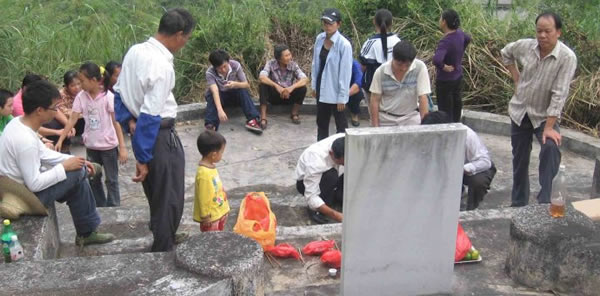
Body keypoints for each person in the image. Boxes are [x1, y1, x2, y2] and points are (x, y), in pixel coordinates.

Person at [113, 8, 195, 251]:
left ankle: (164, 234)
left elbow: (118, 93)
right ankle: (163, 247)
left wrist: (129, 122)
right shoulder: (161, 66)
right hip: (158, 136)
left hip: (145, 131)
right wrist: (143, 156)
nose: (184, 44)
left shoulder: (135, 51)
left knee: (158, 193)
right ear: (179, 35)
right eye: (186, 39)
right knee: (169, 196)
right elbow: (150, 115)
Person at [0, 80, 114, 246]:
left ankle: (87, 232)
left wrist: (77, 161)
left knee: (78, 176)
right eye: (54, 108)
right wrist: (65, 167)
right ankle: (87, 232)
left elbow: (44, 153)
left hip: (25, 186)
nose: (56, 113)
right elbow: (34, 184)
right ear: (40, 110)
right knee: (77, 173)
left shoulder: (18, 123)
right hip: (28, 197)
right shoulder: (24, 141)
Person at [500, 12, 577, 207]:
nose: (542, 35)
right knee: (520, 161)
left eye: (547, 31)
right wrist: (516, 76)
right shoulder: (526, 46)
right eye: (539, 31)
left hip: (544, 116)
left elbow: (560, 94)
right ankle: (518, 204)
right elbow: (506, 52)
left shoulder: (566, 57)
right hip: (520, 111)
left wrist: (550, 127)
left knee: (551, 149)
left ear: (558, 32)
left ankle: (545, 202)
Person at [56, 62, 127, 207]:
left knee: (112, 180)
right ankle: (100, 206)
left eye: (82, 81)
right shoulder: (81, 97)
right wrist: (60, 139)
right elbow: (72, 120)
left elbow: (116, 123)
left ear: (94, 80)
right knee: (93, 178)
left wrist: (123, 147)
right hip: (92, 146)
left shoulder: (108, 97)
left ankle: (114, 207)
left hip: (108, 147)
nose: (80, 85)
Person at [422, 111, 496, 210]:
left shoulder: (468, 135)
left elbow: (485, 161)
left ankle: (472, 208)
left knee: (478, 181)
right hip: (445, 169)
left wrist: (462, 169)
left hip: (468, 169)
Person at [311, 8, 353, 141]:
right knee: (321, 121)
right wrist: (313, 85)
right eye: (325, 23)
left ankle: (343, 151)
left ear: (338, 24)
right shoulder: (320, 38)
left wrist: (342, 97)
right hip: (321, 84)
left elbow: (345, 73)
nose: (327, 26)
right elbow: (315, 63)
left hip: (335, 87)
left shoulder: (344, 45)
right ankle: (321, 148)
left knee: (341, 123)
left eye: (330, 23)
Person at [369, 41, 430, 126]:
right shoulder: (381, 71)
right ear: (393, 57)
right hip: (386, 118)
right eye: (399, 64)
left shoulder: (419, 67)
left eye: (407, 65)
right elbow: (375, 100)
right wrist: (375, 127)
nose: (403, 68)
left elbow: (423, 97)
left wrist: (425, 126)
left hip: (410, 117)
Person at [204, 49, 262, 133]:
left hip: (234, 95)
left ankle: (252, 119)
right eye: (219, 68)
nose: (223, 70)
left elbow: (246, 84)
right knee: (210, 94)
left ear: (228, 62)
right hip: (220, 96)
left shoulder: (236, 65)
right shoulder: (210, 73)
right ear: (214, 67)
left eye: (225, 66)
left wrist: (235, 84)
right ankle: (210, 125)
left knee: (242, 89)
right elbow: (215, 91)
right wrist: (220, 110)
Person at [11, 74, 74, 146]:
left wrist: (69, 126)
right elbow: (30, 125)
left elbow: (55, 109)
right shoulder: (18, 105)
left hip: (37, 125)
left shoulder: (35, 94)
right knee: (52, 125)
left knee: (59, 121)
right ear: (25, 88)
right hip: (33, 131)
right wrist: (57, 132)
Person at [295, 133, 345, 224]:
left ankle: (336, 196)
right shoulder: (316, 160)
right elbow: (311, 196)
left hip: (331, 175)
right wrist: (336, 215)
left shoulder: (345, 139)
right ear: (331, 153)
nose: (344, 165)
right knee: (331, 176)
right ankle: (315, 210)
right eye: (341, 163)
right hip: (305, 183)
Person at [433, 9, 471, 123]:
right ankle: (456, 127)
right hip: (457, 76)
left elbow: (437, 59)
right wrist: (460, 53)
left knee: (445, 110)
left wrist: (443, 66)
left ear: (444, 22)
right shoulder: (459, 34)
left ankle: (447, 131)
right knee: (456, 105)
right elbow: (468, 38)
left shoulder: (446, 41)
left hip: (445, 80)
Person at [258, 44, 308, 128]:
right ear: (278, 58)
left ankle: (294, 113)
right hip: (274, 96)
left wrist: (290, 88)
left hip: (288, 95)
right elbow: (262, 77)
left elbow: (305, 79)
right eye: (286, 55)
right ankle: (263, 118)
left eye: (289, 54)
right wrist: (277, 87)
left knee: (303, 88)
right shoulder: (270, 64)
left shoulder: (293, 65)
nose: (289, 57)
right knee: (263, 85)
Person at [359, 9, 401, 109]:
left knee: (374, 114)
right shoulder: (398, 41)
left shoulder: (370, 43)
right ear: (391, 23)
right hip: (394, 86)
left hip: (373, 87)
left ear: (374, 21)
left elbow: (363, 66)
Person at [193, 130, 230, 232]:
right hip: (211, 218)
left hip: (217, 211)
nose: (222, 155)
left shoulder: (210, 168)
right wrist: (205, 216)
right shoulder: (204, 174)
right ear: (213, 155)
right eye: (221, 152)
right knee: (212, 240)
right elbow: (203, 197)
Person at [58, 70, 85, 142]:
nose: (77, 87)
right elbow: (63, 111)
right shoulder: (61, 94)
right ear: (66, 86)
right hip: (69, 120)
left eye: (79, 84)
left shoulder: (84, 91)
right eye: (73, 85)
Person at [347, 59, 365, 126]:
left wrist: (343, 97)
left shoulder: (354, 64)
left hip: (350, 90)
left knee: (358, 94)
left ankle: (354, 114)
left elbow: (359, 82)